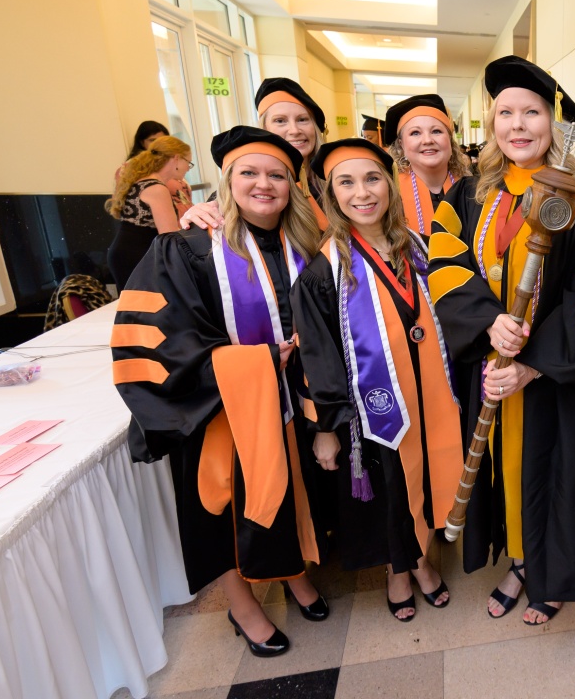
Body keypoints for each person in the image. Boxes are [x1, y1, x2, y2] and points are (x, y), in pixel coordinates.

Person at [427, 55, 575, 625]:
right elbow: (445, 263)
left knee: (555, 476)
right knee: (506, 469)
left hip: (554, 375)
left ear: (555, 123)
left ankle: (550, 575)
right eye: (505, 114)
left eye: (532, 113)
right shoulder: (470, 195)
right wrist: (486, 321)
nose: (517, 125)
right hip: (491, 364)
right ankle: (519, 562)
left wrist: (533, 365)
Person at [112, 126, 329, 658]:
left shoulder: (305, 245)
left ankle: (292, 573)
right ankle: (242, 605)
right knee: (223, 507)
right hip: (217, 405)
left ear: (293, 186)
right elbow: (161, 340)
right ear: (227, 182)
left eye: (277, 175)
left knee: (289, 489)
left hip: (289, 401)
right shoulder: (187, 247)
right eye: (248, 173)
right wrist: (255, 362)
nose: (263, 184)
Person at [291, 138, 465, 622]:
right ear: (332, 194)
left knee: (425, 477)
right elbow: (317, 355)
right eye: (346, 183)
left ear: (389, 185)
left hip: (429, 394)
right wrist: (325, 426)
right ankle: (400, 570)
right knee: (391, 489)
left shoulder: (421, 247)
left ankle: (422, 558)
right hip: (372, 408)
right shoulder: (325, 269)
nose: (362, 193)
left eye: (372, 179)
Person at [179, 78, 329, 231]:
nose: (294, 130)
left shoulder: (335, 181)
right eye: (280, 121)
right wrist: (197, 213)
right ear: (264, 128)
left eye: (303, 120)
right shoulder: (243, 191)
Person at [106, 135, 192, 291]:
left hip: (126, 253)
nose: (188, 168)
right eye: (188, 162)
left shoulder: (143, 181)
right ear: (176, 159)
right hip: (136, 255)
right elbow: (169, 236)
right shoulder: (156, 188)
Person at [385, 94, 471, 235]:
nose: (427, 140)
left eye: (436, 131)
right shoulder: (390, 195)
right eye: (415, 133)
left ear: (449, 140)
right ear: (401, 144)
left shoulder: (473, 191)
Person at [117, 121, 193, 219]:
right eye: (152, 140)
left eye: (163, 140)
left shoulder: (173, 171)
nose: (159, 144)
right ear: (142, 142)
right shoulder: (133, 169)